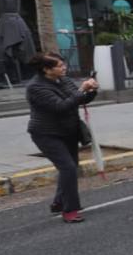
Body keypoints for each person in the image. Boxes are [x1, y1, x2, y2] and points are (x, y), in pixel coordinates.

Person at [26, 52, 98, 223]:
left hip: (69, 131)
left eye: (63, 64)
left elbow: (79, 99)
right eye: (59, 66)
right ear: (46, 69)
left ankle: (59, 202)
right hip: (46, 133)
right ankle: (70, 210)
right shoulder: (36, 87)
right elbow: (60, 106)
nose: (64, 67)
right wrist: (82, 89)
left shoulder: (63, 80)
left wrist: (92, 90)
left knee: (71, 167)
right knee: (68, 168)